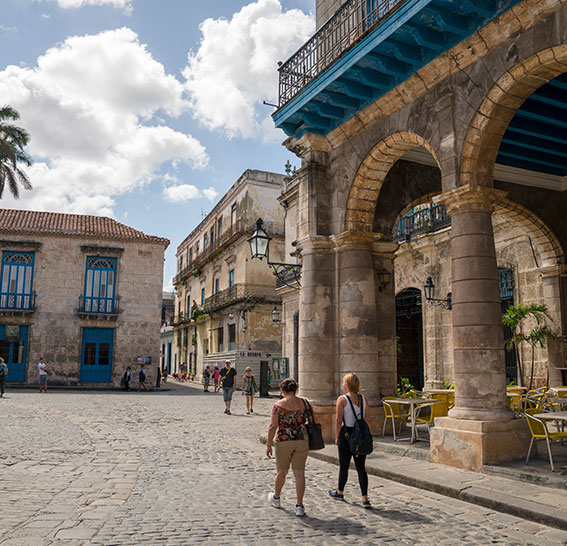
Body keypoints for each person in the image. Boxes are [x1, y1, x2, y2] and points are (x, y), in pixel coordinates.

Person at [266, 378, 308, 517]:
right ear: (295, 389)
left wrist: (268, 444)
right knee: (300, 474)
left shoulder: (278, 405)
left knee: (282, 471)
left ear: (283, 390)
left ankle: (276, 498)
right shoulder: (304, 403)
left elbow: (273, 426)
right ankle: (299, 506)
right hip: (301, 440)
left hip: (284, 440)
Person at [328, 372, 371, 508]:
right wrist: (367, 435)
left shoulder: (342, 399)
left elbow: (338, 420)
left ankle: (340, 492)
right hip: (360, 435)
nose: (342, 384)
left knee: (344, 465)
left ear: (347, 384)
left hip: (347, 434)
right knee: (361, 468)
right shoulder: (363, 399)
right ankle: (365, 498)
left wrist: (337, 436)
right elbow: (367, 419)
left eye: (343, 382)